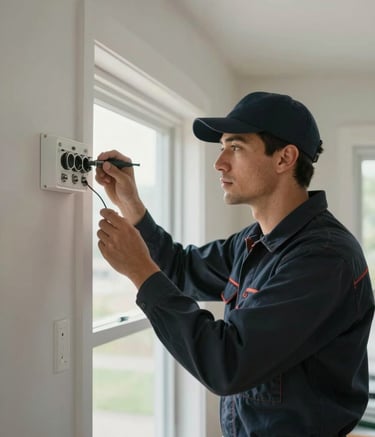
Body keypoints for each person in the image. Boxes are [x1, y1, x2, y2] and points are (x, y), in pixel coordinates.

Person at [96, 91, 374, 436]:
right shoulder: (254, 240)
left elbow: (227, 364)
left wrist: (139, 270)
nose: (220, 163)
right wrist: (133, 206)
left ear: (285, 158)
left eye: (236, 147)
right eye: (221, 147)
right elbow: (182, 269)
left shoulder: (323, 259)